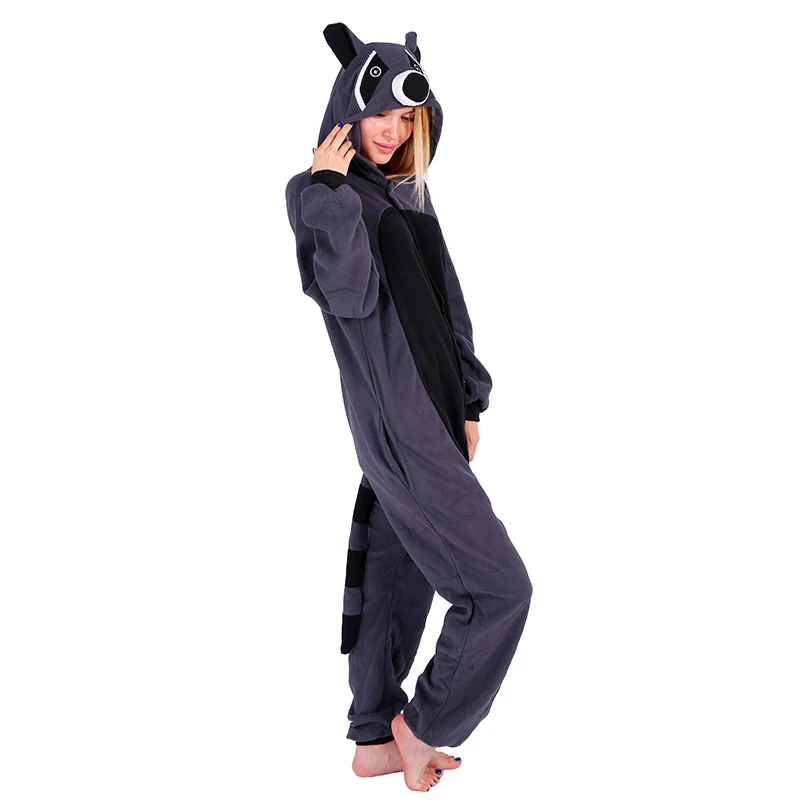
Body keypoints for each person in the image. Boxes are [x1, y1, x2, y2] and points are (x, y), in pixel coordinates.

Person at [285, 23, 533, 793]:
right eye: (379, 114)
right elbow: (350, 296)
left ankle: (373, 738)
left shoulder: (408, 192)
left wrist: (470, 401)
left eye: (406, 118)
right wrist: (329, 192)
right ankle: (423, 728)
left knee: (396, 574)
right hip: (400, 428)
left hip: (435, 421)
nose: (392, 132)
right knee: (499, 591)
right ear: (348, 109)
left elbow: (446, 304)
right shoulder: (317, 194)